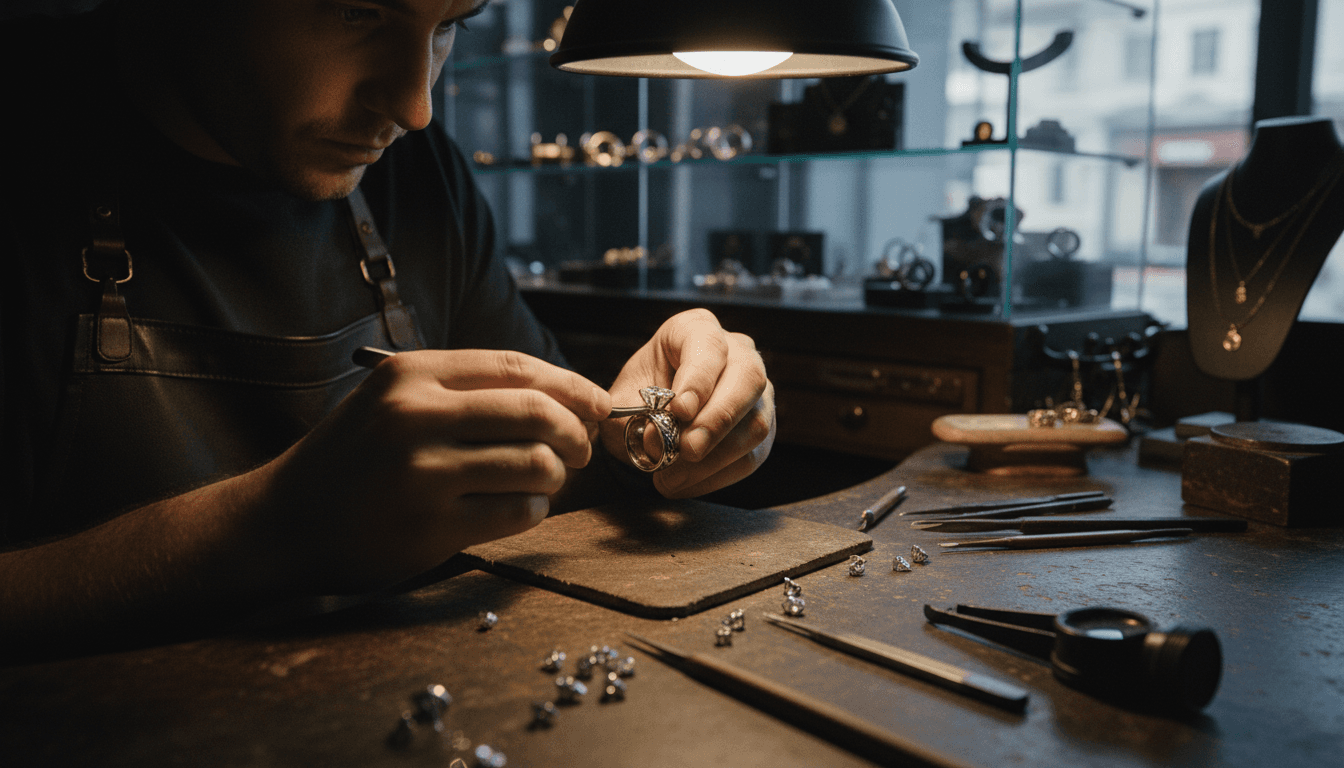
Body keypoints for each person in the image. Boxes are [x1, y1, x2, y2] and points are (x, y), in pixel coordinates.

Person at [0, 0, 775, 661]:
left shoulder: (413, 169)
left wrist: (641, 434)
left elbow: (550, 465)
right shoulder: (31, 118)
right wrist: (266, 532)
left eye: (450, 26)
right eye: (359, 12)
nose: (414, 107)